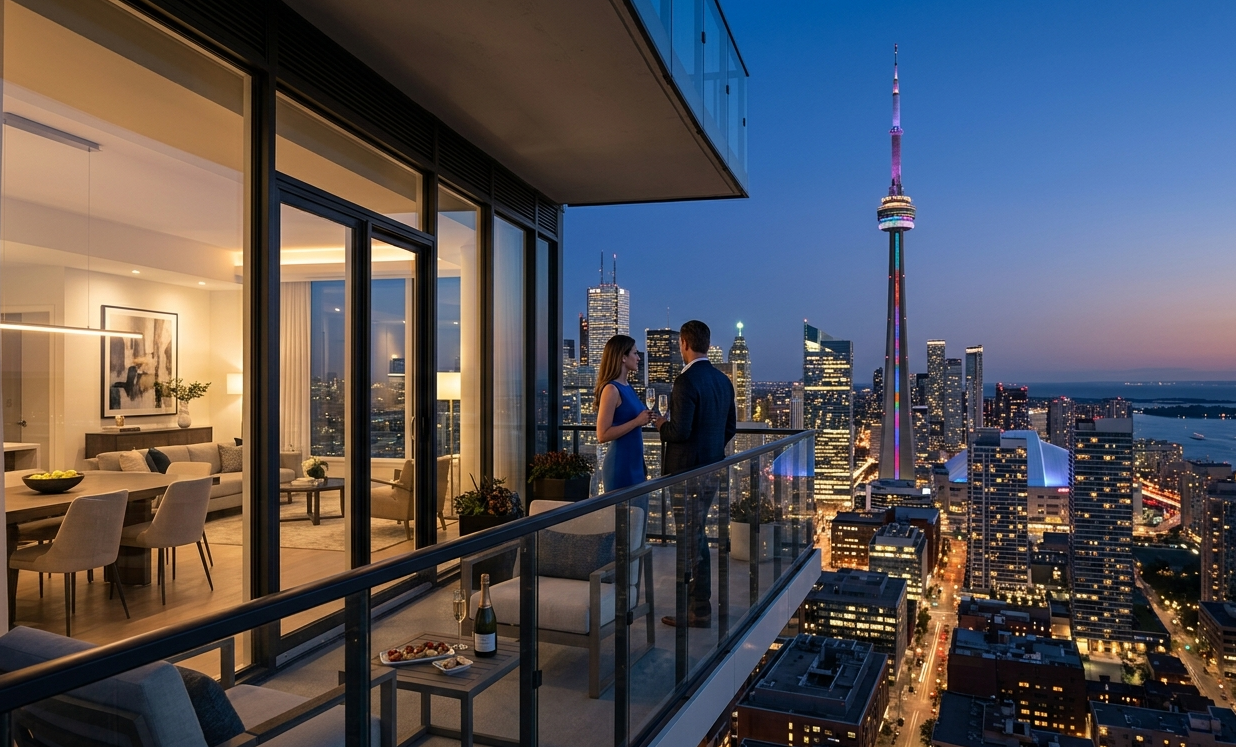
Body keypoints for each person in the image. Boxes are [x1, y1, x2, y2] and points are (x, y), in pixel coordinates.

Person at [652, 320, 736, 628]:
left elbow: (680, 431)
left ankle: (699, 608)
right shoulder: (722, 380)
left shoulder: (685, 382)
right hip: (712, 469)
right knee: (696, 533)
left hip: (686, 473)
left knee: (690, 538)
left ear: (684, 344)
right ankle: (700, 606)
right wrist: (709, 450)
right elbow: (730, 428)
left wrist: (661, 424)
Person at [595, 334, 654, 492]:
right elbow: (602, 434)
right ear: (623, 357)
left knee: (638, 514)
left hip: (635, 463)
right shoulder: (611, 389)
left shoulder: (627, 386)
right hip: (620, 465)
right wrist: (637, 422)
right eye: (635, 353)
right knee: (622, 515)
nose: (638, 358)